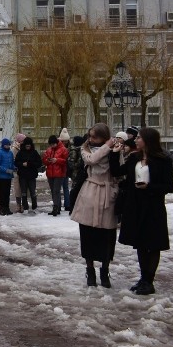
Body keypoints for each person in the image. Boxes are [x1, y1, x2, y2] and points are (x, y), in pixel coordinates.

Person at [110, 127, 173, 295]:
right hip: (135, 205)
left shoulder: (162, 160)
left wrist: (150, 187)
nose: (136, 140)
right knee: (140, 243)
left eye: (139, 138)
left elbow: (169, 186)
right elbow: (117, 172)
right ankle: (143, 278)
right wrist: (114, 153)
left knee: (153, 244)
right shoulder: (134, 158)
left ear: (148, 140)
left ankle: (149, 280)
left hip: (153, 206)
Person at [70, 123, 118, 288]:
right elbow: (92, 160)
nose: (91, 139)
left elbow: (118, 170)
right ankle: (90, 270)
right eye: (90, 136)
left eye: (94, 136)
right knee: (87, 234)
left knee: (107, 236)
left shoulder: (114, 150)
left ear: (104, 137)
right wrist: (107, 146)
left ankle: (105, 270)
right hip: (90, 192)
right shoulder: (85, 149)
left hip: (107, 194)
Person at [43, 134, 69, 216]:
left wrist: (56, 160)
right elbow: (44, 160)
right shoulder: (49, 150)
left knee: (56, 191)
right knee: (53, 191)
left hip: (59, 173)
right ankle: (57, 207)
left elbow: (66, 161)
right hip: (50, 173)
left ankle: (56, 207)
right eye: (50, 144)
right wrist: (47, 160)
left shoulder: (63, 149)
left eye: (53, 144)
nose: (52, 146)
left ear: (56, 142)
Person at [15, 137, 42, 214]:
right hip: (23, 175)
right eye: (26, 146)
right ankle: (25, 207)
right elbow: (16, 163)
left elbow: (39, 163)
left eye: (29, 146)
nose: (28, 147)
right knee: (23, 192)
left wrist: (30, 164)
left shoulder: (34, 152)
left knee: (33, 192)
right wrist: (22, 164)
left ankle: (34, 206)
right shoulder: (20, 152)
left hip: (32, 176)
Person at [0, 138, 16, 216]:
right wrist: (6, 170)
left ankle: (7, 207)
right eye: (6, 145)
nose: (7, 146)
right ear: (3, 145)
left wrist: (14, 167)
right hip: (2, 176)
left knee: (7, 193)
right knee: (2, 193)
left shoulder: (10, 153)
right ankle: (2, 208)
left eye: (8, 145)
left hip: (9, 176)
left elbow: (12, 163)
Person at [11, 133, 26, 212]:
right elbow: (13, 160)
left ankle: (23, 205)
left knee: (24, 188)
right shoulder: (14, 149)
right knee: (17, 189)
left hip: (24, 171)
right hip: (17, 171)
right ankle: (18, 205)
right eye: (23, 140)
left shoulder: (25, 147)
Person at [58, 128, 72, 210]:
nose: (65, 142)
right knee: (62, 188)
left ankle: (67, 204)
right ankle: (61, 205)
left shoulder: (60, 148)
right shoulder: (68, 147)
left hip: (65, 170)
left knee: (65, 188)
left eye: (66, 141)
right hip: (60, 170)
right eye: (64, 141)